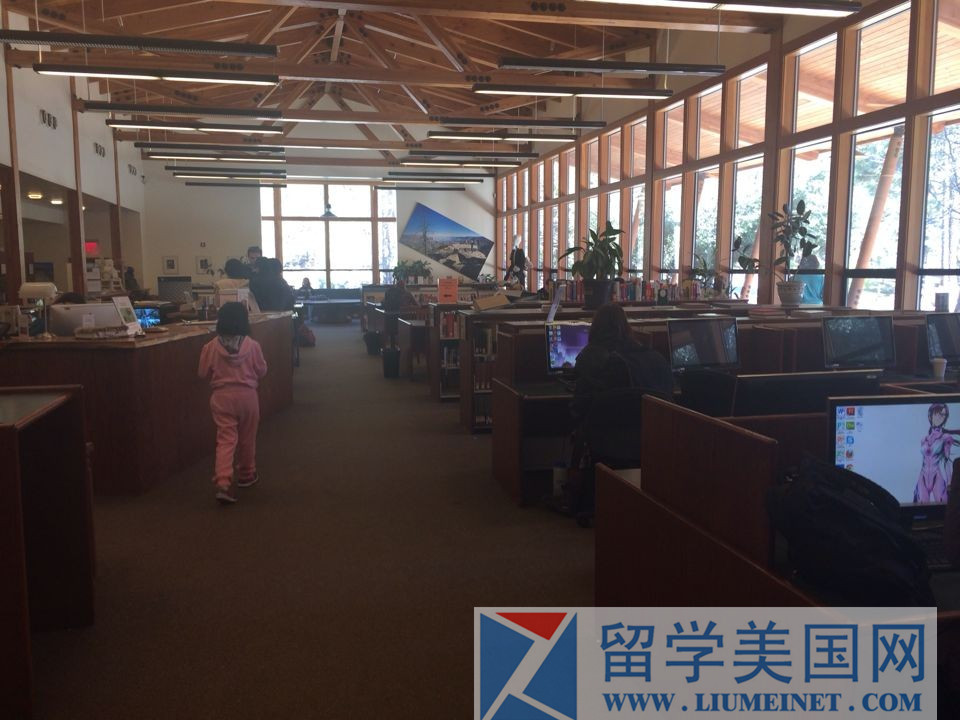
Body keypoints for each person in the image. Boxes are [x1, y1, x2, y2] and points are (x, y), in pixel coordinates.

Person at [197, 302, 268, 505]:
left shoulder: (210, 347)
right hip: (248, 398)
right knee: (247, 438)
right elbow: (262, 371)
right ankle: (247, 473)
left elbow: (202, 373)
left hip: (221, 399)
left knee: (226, 439)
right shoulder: (252, 346)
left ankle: (223, 482)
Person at [570, 303, 673, 425]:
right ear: (627, 328)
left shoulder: (591, 358)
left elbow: (579, 408)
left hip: (607, 432)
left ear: (595, 329)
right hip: (654, 432)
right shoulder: (657, 359)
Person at [914, 403, 960, 504]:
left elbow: (947, 461)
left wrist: (949, 482)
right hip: (922, 478)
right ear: (930, 415)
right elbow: (923, 461)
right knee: (921, 508)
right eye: (938, 414)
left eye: (943, 415)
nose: (940, 417)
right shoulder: (924, 439)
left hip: (937, 477)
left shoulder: (946, 437)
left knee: (943, 506)